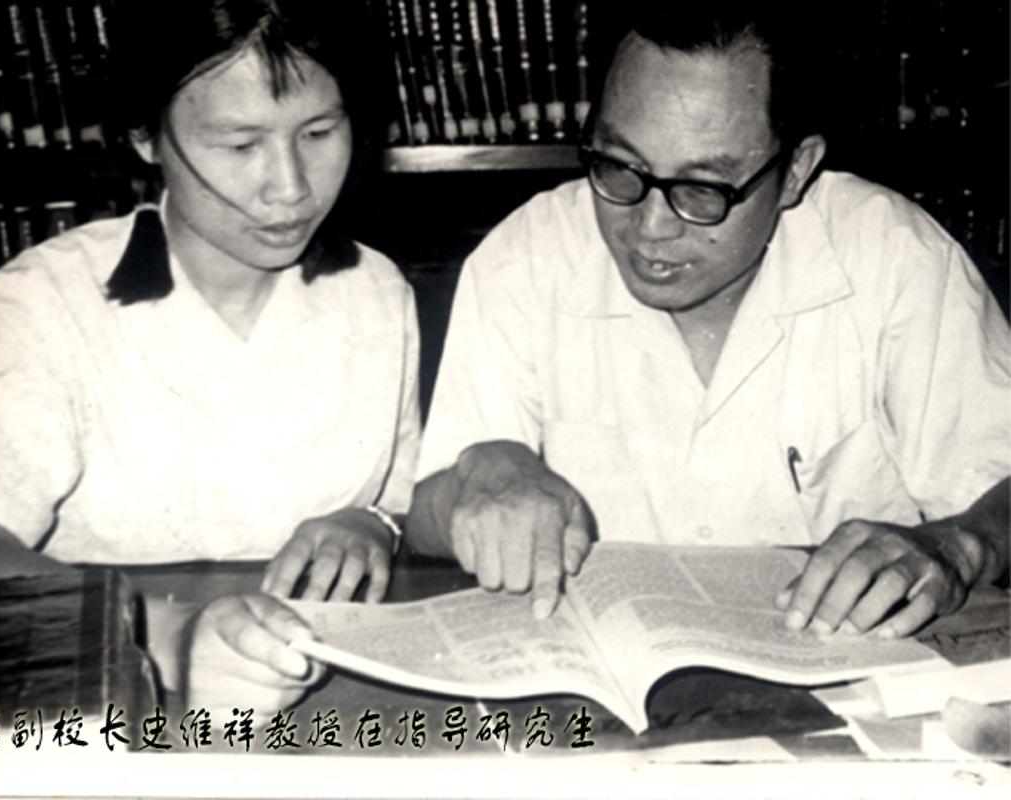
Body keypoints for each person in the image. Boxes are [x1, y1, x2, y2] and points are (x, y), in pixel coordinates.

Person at [407, 3, 1009, 639]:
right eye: (619, 167)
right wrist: (479, 473)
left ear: (796, 170)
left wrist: (957, 546)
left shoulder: (895, 255)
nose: (649, 228)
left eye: (702, 190)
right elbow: (421, 519)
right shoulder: (526, 255)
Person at [0, 0, 420, 719]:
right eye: (239, 145)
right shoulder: (45, 299)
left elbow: (397, 496)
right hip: (109, 692)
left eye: (319, 132)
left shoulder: (375, 290)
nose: (290, 187)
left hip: (322, 687)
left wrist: (368, 524)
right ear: (144, 136)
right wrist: (176, 637)